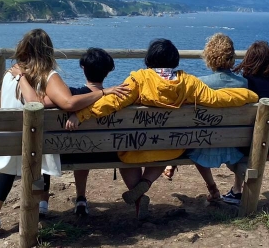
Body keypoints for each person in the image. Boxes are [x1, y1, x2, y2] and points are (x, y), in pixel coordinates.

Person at [64, 38, 258, 220]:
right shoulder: (188, 82)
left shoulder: (139, 79)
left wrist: (80, 115)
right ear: (174, 59)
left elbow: (112, 102)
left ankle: (140, 195)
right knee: (162, 152)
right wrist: (249, 95)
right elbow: (216, 99)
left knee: (126, 154)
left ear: (150, 58)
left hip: (135, 149)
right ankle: (145, 184)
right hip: (172, 148)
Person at [0, 29, 129, 235]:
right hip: (40, 146)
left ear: (23, 48)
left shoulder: (8, 74)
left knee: (35, 141)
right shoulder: (48, 76)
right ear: (48, 50)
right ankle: (42, 201)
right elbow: (65, 102)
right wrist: (103, 92)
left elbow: (33, 102)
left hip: (8, 142)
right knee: (43, 141)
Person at [162, 33, 247, 202]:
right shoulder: (244, 83)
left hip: (202, 144)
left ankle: (211, 187)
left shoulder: (199, 83)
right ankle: (237, 189)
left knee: (194, 138)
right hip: (233, 146)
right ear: (232, 56)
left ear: (209, 56)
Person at [221, 40, 269, 206]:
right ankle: (236, 189)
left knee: (241, 141)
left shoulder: (246, 83)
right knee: (249, 138)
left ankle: (238, 191)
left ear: (249, 60)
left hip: (245, 144)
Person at [63, 48, 117, 216]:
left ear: (83, 69)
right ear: (107, 73)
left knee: (80, 145)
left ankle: (79, 198)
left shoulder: (72, 96)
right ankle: (138, 199)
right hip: (111, 153)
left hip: (73, 154)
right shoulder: (116, 98)